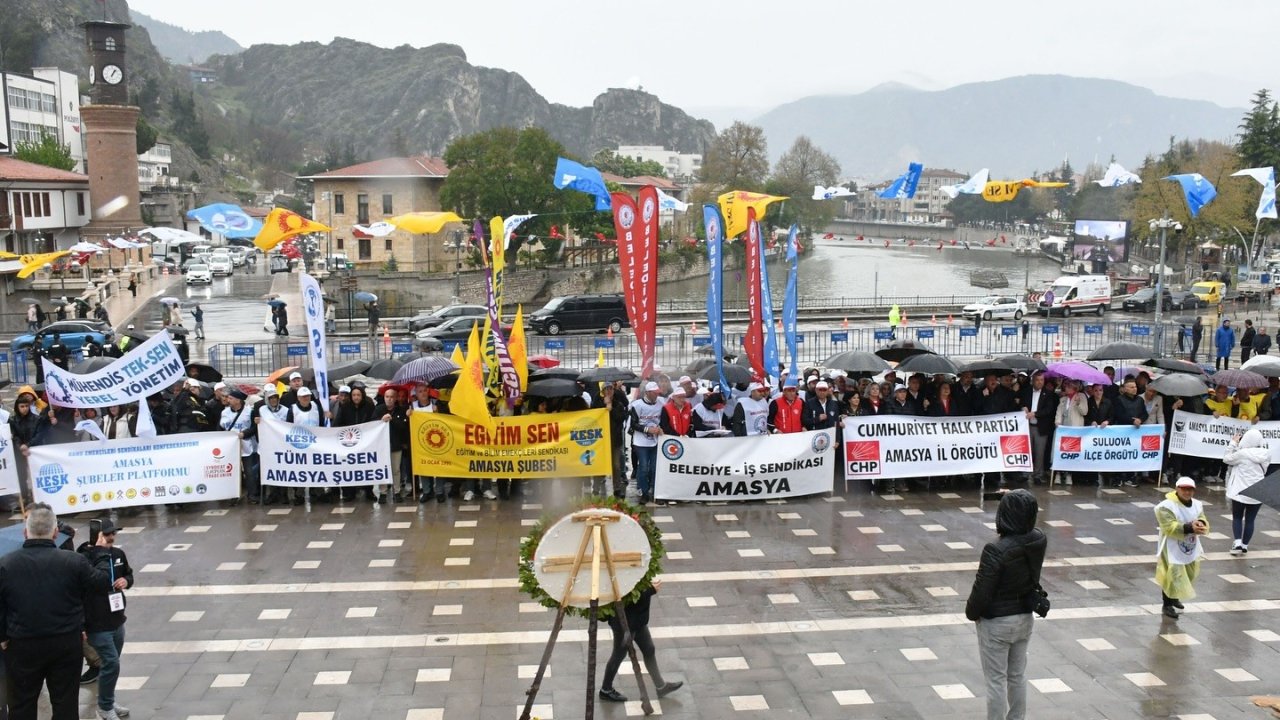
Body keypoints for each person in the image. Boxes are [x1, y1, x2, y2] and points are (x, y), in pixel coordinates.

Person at [0, 503, 114, 720]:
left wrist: (3, 636)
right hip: (65, 643)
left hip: (22, 645)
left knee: (22, 704)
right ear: (54, 532)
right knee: (65, 704)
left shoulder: (6, 564)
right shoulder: (73, 561)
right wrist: (100, 551)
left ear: (26, 532)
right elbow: (101, 583)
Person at [965, 489, 1046, 720]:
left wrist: (972, 612)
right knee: (1017, 676)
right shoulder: (1039, 539)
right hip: (1024, 617)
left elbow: (982, 590)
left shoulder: (996, 549)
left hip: (997, 623)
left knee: (996, 681)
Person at [76, 519, 133, 720]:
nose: (112, 538)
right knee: (111, 663)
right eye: (107, 534)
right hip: (96, 623)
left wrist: (126, 581)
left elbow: (129, 574)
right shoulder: (83, 558)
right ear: (97, 536)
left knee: (113, 662)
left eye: (113, 534)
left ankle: (107, 699)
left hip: (117, 619)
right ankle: (105, 707)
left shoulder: (118, 554)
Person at [597, 580, 683, 704]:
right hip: (624, 623)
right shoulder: (621, 572)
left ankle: (661, 686)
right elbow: (627, 597)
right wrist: (650, 590)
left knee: (649, 649)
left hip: (638, 620)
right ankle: (606, 690)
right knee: (618, 655)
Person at [1155, 477, 1209, 619]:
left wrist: (1201, 524)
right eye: (1184, 489)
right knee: (1172, 573)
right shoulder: (1166, 506)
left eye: (1190, 489)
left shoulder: (1197, 504)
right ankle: (1167, 604)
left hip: (1190, 543)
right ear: (1177, 489)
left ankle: (1175, 596)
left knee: (1188, 572)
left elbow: (1202, 517)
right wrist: (1189, 527)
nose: (1187, 492)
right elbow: (1169, 526)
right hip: (1171, 545)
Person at [1223, 429, 1266, 556]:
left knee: (1237, 517)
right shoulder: (1266, 454)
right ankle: (1245, 545)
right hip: (1258, 492)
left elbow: (1227, 459)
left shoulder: (1242, 454)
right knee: (1250, 520)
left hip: (1240, 491)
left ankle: (1237, 543)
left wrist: (1233, 443)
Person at [628, 382, 664, 503]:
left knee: (654, 468)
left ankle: (654, 491)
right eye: (654, 393)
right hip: (640, 442)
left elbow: (663, 419)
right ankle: (644, 492)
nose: (657, 395)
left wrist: (661, 428)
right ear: (647, 393)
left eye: (658, 393)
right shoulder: (637, 405)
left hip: (655, 441)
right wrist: (648, 429)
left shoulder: (661, 403)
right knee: (643, 467)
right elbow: (633, 424)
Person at [221, 389, 259, 505]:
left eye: (231, 398)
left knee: (249, 471)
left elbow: (254, 428)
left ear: (238, 400)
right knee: (232, 472)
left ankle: (252, 495)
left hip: (246, 445)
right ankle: (233, 495)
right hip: (230, 447)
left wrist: (245, 434)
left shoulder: (249, 412)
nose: (228, 400)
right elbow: (220, 427)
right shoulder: (224, 412)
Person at [1022, 372, 1057, 486]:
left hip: (1040, 426)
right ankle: (1026, 473)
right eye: (1037, 380)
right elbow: (1020, 402)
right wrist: (1023, 407)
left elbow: (1048, 410)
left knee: (1039, 452)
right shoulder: (1026, 391)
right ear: (1033, 380)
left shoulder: (1048, 394)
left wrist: (1035, 414)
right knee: (1027, 451)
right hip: (1027, 426)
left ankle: (1038, 474)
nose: (1040, 382)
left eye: (1042, 380)